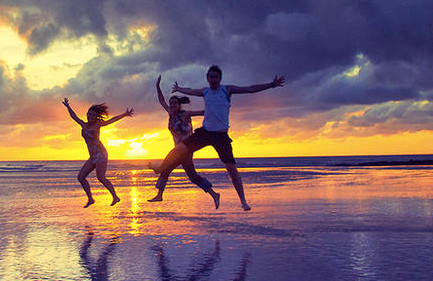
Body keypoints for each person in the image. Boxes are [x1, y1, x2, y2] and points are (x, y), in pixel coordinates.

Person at [151, 65, 285, 210]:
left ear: (219, 79)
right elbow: (190, 91)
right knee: (178, 152)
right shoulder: (205, 92)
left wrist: (271, 85)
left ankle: (243, 201)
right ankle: (161, 171)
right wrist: (179, 89)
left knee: (231, 169)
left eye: (216, 77)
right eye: (211, 77)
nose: (213, 79)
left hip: (221, 135)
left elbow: (250, 89)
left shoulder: (226, 90)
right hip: (205, 132)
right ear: (208, 79)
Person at [149, 75, 221, 208]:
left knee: (168, 169)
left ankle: (159, 179)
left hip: (187, 149)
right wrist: (157, 86)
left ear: (179, 105)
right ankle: (214, 194)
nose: (172, 106)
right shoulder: (171, 113)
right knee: (191, 176)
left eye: (175, 104)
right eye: (171, 104)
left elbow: (202, 112)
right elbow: (161, 100)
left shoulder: (185, 114)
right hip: (179, 149)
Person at [63, 98, 134, 207]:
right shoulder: (83, 124)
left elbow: (112, 120)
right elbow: (74, 116)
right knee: (81, 177)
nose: (90, 116)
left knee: (101, 177)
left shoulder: (98, 125)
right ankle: (90, 199)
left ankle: (115, 197)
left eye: (92, 115)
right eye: (89, 114)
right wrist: (68, 106)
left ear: (96, 117)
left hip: (101, 154)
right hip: (92, 156)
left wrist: (125, 114)